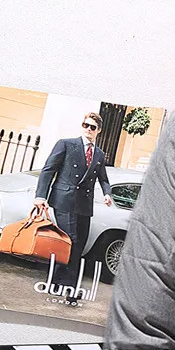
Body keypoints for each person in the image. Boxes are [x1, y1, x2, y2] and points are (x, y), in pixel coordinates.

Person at [33, 112, 113, 288]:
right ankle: (66, 287)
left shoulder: (99, 154)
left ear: (98, 130)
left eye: (92, 127)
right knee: (70, 240)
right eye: (85, 125)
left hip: (84, 204)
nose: (88, 129)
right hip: (64, 200)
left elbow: (104, 178)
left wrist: (107, 193)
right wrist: (40, 196)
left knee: (79, 245)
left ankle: (60, 284)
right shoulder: (67, 144)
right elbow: (48, 170)